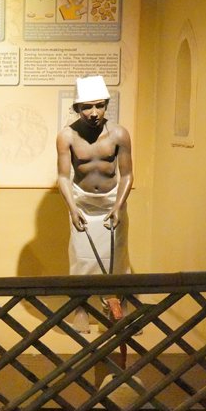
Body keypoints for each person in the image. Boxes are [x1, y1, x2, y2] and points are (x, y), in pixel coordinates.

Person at [56, 74, 133, 280]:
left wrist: (118, 207)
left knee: (116, 264)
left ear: (106, 105)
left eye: (99, 106)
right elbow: (63, 177)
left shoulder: (119, 134)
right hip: (82, 205)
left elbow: (127, 175)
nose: (94, 113)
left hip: (112, 203)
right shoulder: (67, 136)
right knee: (82, 265)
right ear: (77, 108)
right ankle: (82, 299)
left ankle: (115, 300)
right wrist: (73, 209)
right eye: (87, 107)